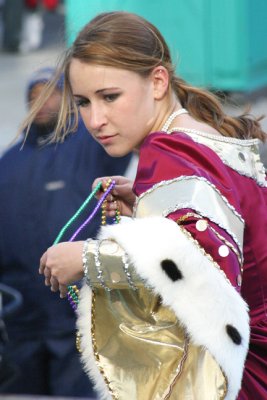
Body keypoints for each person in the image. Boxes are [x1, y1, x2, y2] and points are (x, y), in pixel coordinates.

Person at [24, 11, 266, 400]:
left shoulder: (168, 151)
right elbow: (221, 228)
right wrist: (145, 204)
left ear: (157, 81)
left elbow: (207, 263)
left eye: (110, 97)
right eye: (83, 102)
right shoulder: (196, 137)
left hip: (238, 377)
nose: (95, 119)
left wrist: (88, 258)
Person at [0, 66, 132, 396]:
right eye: (34, 96)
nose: (41, 102)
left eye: (52, 93)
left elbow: (128, 127)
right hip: (21, 318)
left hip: (77, 313)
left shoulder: (92, 145)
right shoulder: (7, 161)